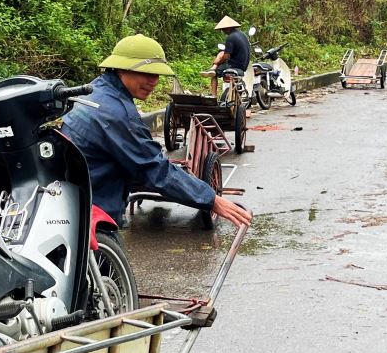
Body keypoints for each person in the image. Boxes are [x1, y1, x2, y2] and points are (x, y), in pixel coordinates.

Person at [64, 34, 252, 229]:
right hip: (94, 212)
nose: (154, 81)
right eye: (147, 73)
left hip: (75, 199)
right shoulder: (117, 115)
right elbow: (155, 169)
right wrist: (212, 199)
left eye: (157, 74)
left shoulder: (93, 91)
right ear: (122, 69)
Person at [209, 15, 252, 97]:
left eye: (223, 29)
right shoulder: (242, 34)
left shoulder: (231, 38)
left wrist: (217, 63)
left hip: (234, 65)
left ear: (228, 28)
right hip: (243, 65)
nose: (223, 31)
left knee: (213, 74)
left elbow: (226, 56)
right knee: (221, 53)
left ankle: (213, 95)